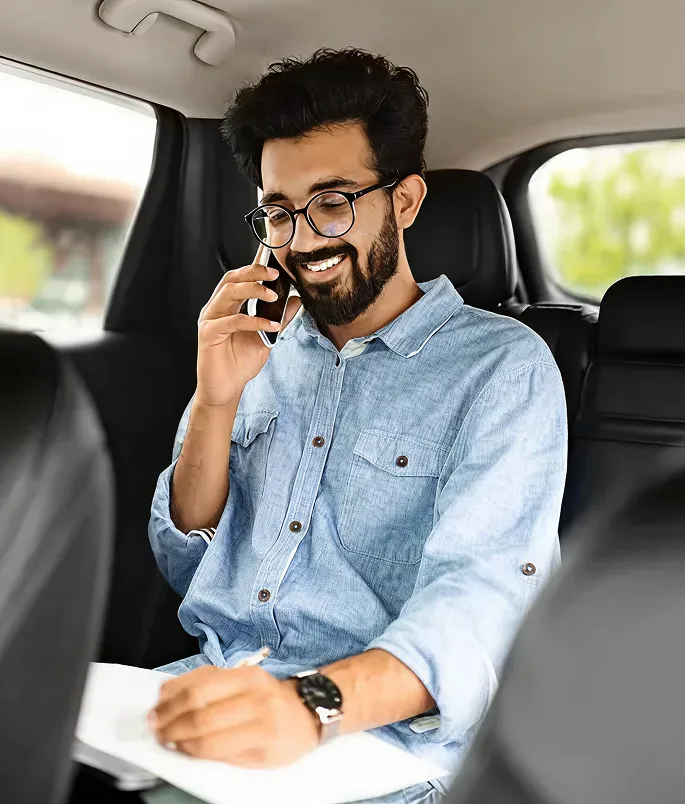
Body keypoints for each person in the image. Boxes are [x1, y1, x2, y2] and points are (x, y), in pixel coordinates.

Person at [147, 48, 567, 803]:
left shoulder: (502, 367)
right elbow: (186, 566)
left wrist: (308, 707)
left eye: (332, 201)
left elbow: (482, 604)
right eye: (279, 211)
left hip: (377, 751)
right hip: (207, 699)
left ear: (403, 202)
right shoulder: (255, 345)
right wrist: (215, 401)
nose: (301, 240)